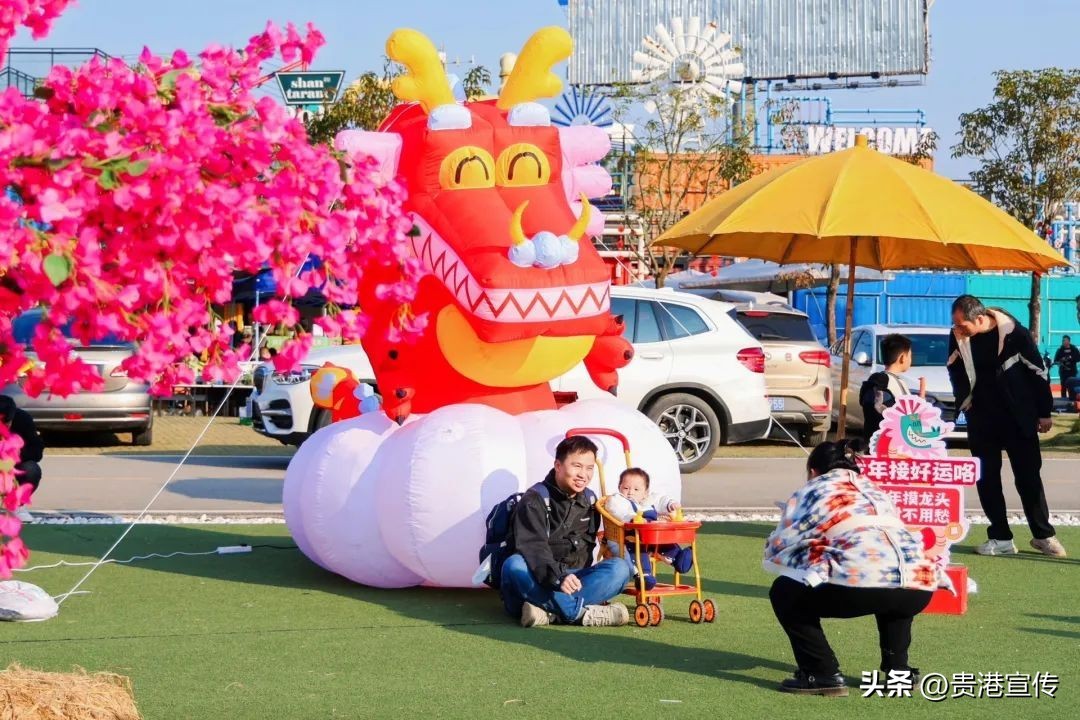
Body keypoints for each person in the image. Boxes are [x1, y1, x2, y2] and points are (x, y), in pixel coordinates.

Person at [765, 440, 939, 697]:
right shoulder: (874, 489)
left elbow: (784, 542)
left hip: (865, 585)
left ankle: (822, 673)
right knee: (894, 583)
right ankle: (898, 672)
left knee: (784, 591)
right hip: (920, 584)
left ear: (813, 471)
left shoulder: (812, 489)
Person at [947, 295, 1066, 557]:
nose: (957, 329)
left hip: (1018, 416)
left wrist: (1044, 412)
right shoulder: (958, 336)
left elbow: (1038, 372)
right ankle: (1000, 538)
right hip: (981, 417)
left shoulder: (1014, 334)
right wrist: (964, 400)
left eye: (962, 325)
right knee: (987, 478)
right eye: (955, 324)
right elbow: (954, 369)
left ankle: (1043, 535)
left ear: (980, 319)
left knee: (1028, 477)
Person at [499, 435, 631, 628]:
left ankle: (549, 612)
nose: (583, 475)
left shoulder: (590, 500)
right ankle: (577, 613)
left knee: (620, 568)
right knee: (513, 565)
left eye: (589, 468)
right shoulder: (533, 500)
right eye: (576, 466)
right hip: (539, 576)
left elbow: (586, 553)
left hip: (571, 580)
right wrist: (558, 578)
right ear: (558, 466)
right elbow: (534, 550)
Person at [605, 467, 693, 589]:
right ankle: (643, 576)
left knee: (664, 541)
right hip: (629, 536)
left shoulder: (647, 500)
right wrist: (633, 519)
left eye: (636, 489)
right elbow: (617, 510)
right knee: (637, 550)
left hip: (650, 535)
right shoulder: (618, 500)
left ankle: (678, 558)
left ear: (645, 492)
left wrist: (670, 504)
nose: (630, 492)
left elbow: (660, 499)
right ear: (620, 487)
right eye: (626, 488)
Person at [858, 333, 913, 442]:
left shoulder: (893, 381)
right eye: (910, 356)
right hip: (888, 443)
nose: (911, 359)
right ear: (902, 358)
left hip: (881, 441)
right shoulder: (886, 382)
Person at [0, 395, 44, 521]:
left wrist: (15, 455)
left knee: (32, 470)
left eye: (6, 423)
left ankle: (16, 505)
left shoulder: (24, 420)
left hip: (14, 464)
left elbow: (37, 450)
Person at [1053, 335, 1080, 400]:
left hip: (1072, 371)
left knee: (1072, 386)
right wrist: (1061, 360)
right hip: (1063, 372)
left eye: (1065, 340)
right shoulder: (1060, 350)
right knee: (1063, 386)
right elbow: (1056, 360)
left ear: (1068, 341)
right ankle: (1063, 400)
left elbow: (1078, 358)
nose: (1063, 342)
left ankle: (1072, 399)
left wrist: (1071, 358)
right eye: (1063, 341)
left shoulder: (1074, 349)